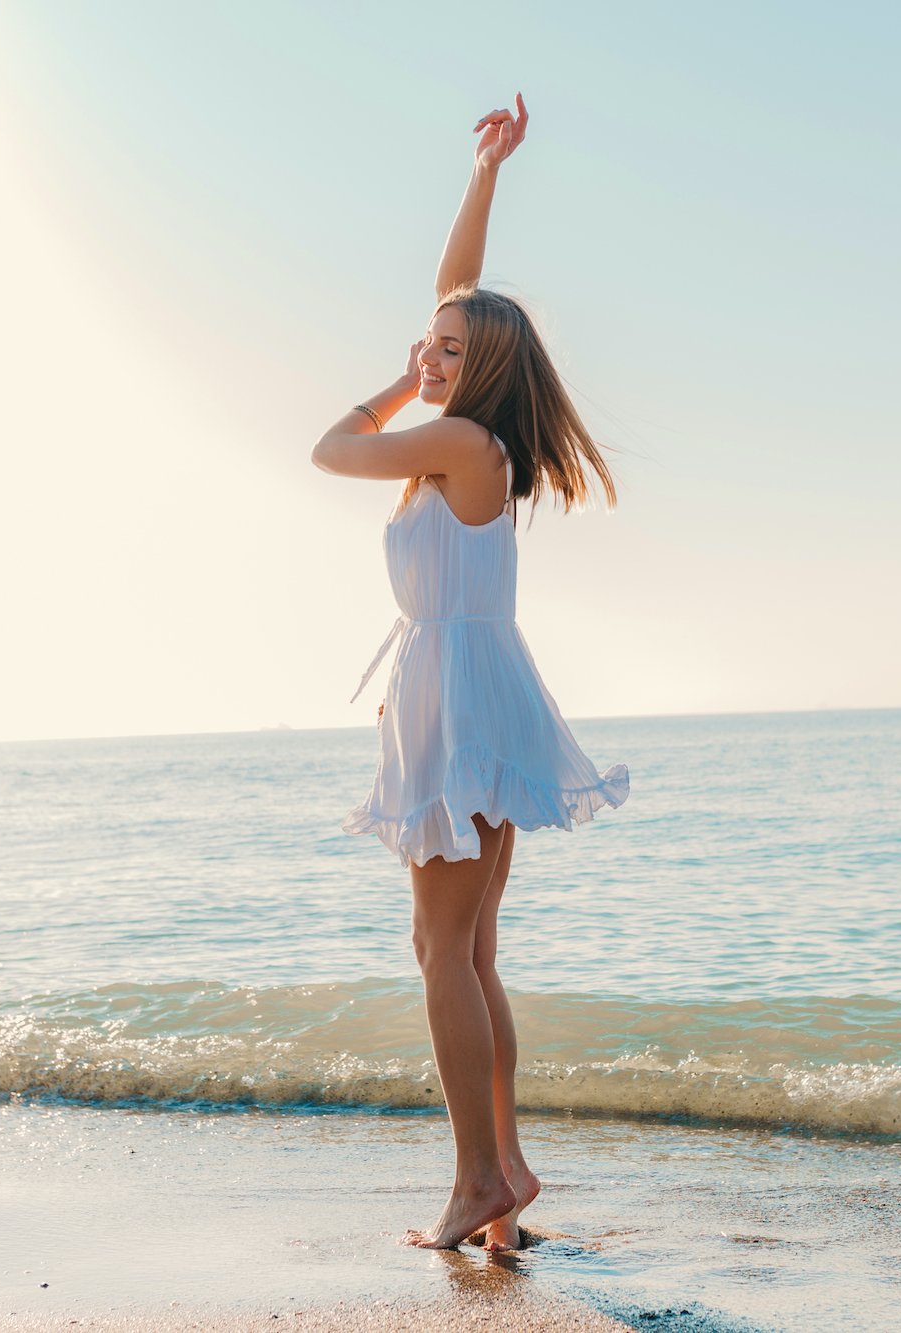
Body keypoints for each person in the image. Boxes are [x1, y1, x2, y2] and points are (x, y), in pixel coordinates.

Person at [310, 95, 630, 1252]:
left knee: (441, 950)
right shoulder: (483, 443)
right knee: (473, 949)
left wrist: (396, 384)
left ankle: (473, 1183)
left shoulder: (451, 440)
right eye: (427, 344)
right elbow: (458, 291)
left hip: (459, 699)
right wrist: (485, 172)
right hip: (475, 690)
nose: (430, 352)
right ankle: (504, 1175)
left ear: (479, 366)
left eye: (448, 350)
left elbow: (330, 450)